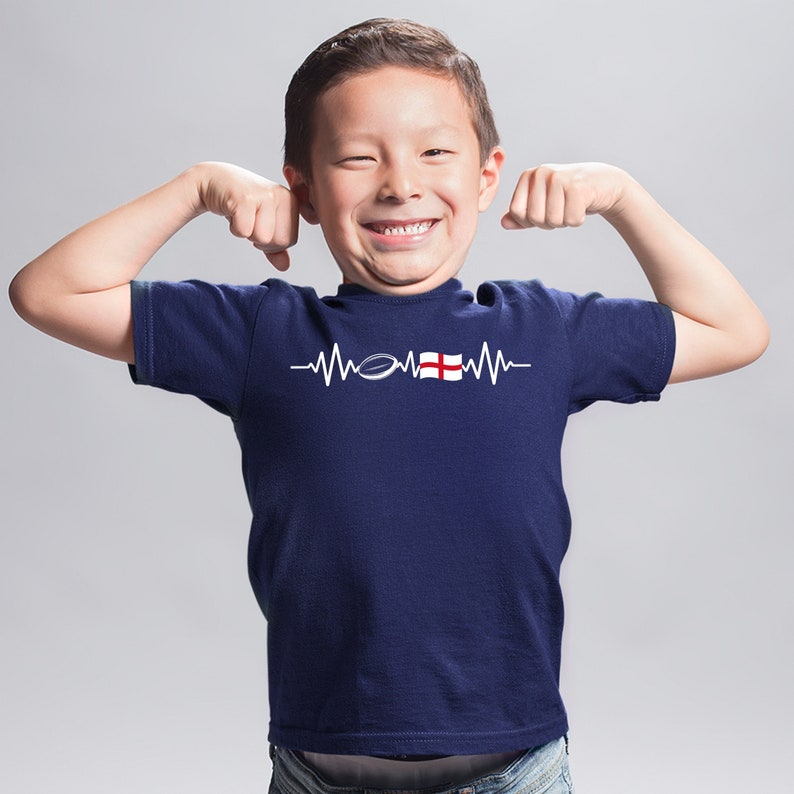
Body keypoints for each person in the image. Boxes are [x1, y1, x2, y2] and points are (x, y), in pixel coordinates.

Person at [8, 17, 768, 794]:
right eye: (357, 157)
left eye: (436, 152)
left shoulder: (543, 331)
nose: (401, 183)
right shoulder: (263, 334)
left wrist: (623, 196)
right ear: (302, 185)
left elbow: (734, 330)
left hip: (517, 770)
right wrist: (198, 187)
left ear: (485, 175)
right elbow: (45, 293)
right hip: (321, 772)